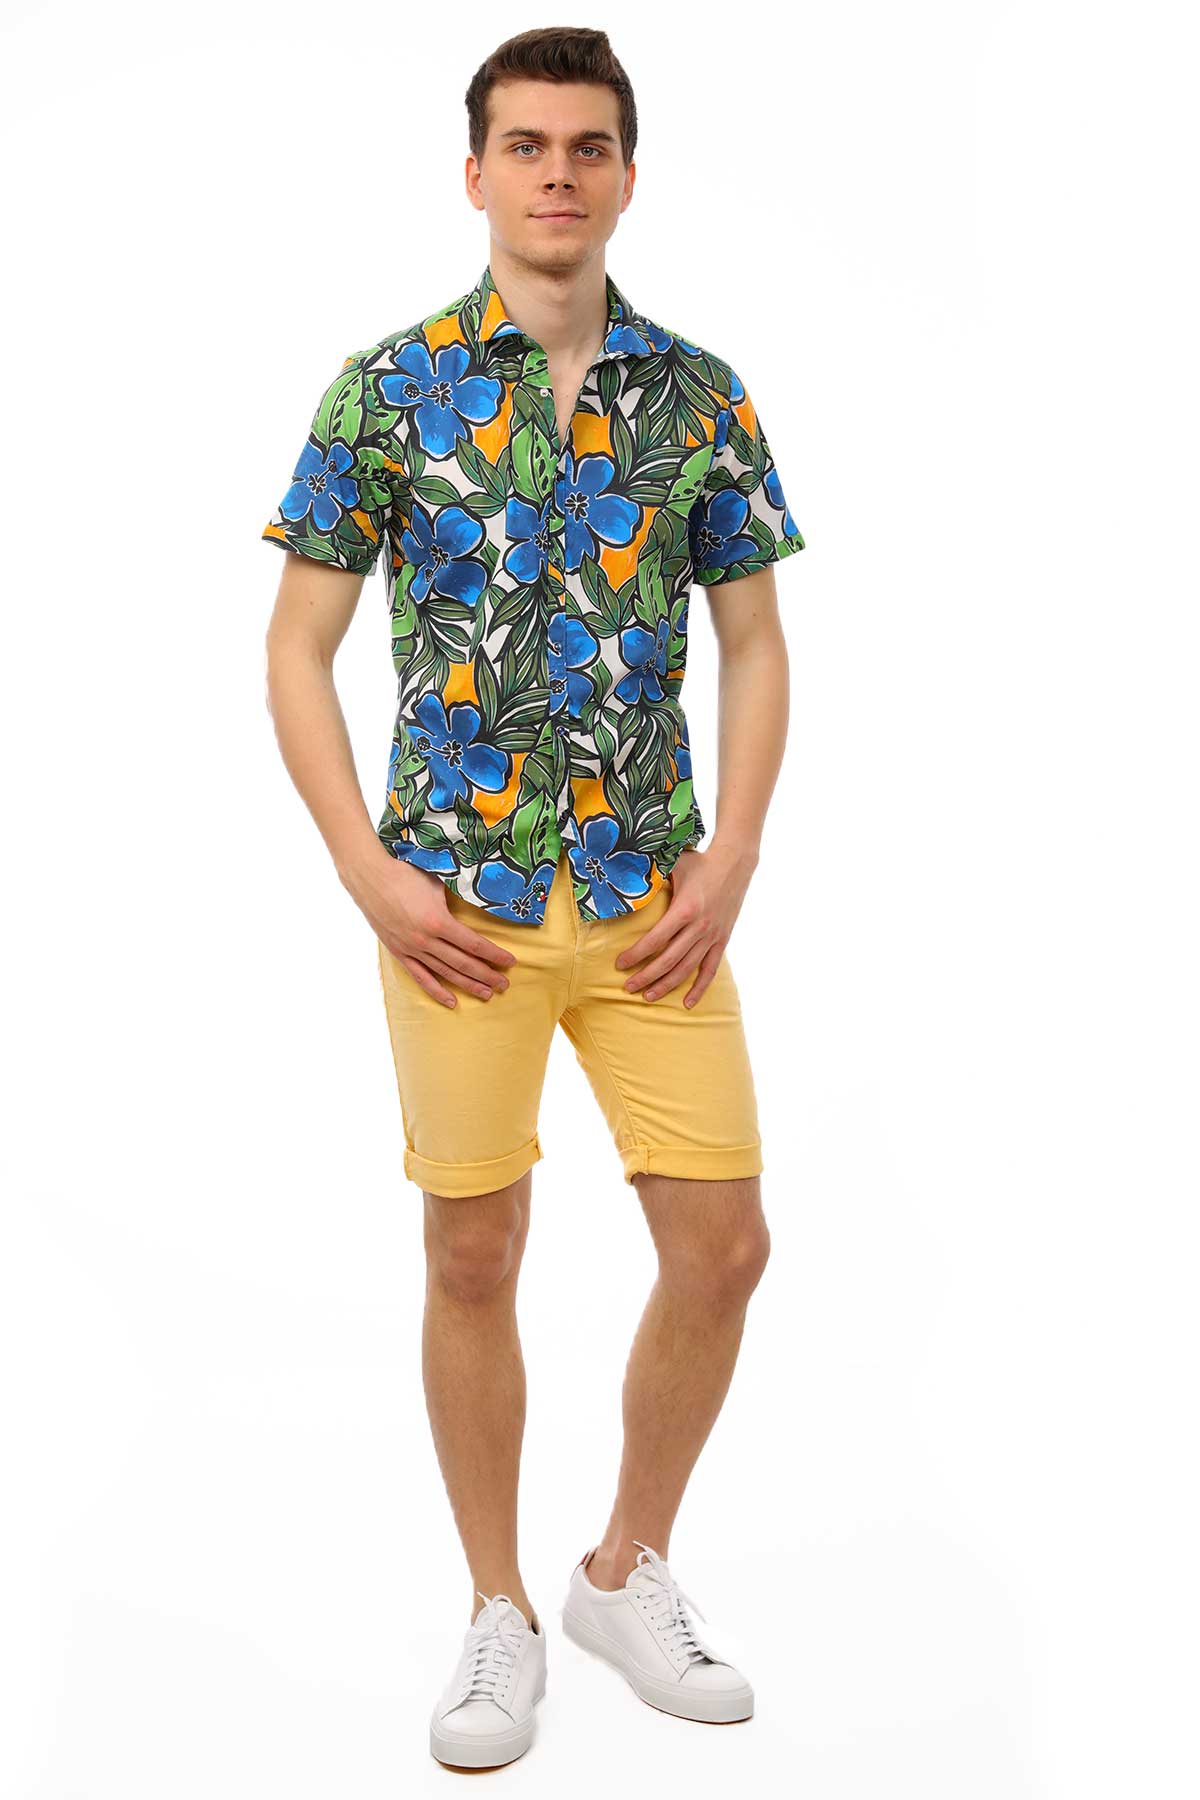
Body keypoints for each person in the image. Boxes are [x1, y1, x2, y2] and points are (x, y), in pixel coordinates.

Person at [261, 25, 805, 1771]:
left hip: (655, 905)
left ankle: (621, 1569)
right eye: (526, 145)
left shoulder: (700, 398)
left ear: (627, 176)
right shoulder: (386, 390)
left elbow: (755, 642)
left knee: (723, 1246)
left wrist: (734, 854)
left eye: (587, 146)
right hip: (457, 915)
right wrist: (366, 871)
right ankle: (496, 1608)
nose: (557, 173)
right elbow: (297, 644)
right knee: (473, 1247)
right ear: (476, 173)